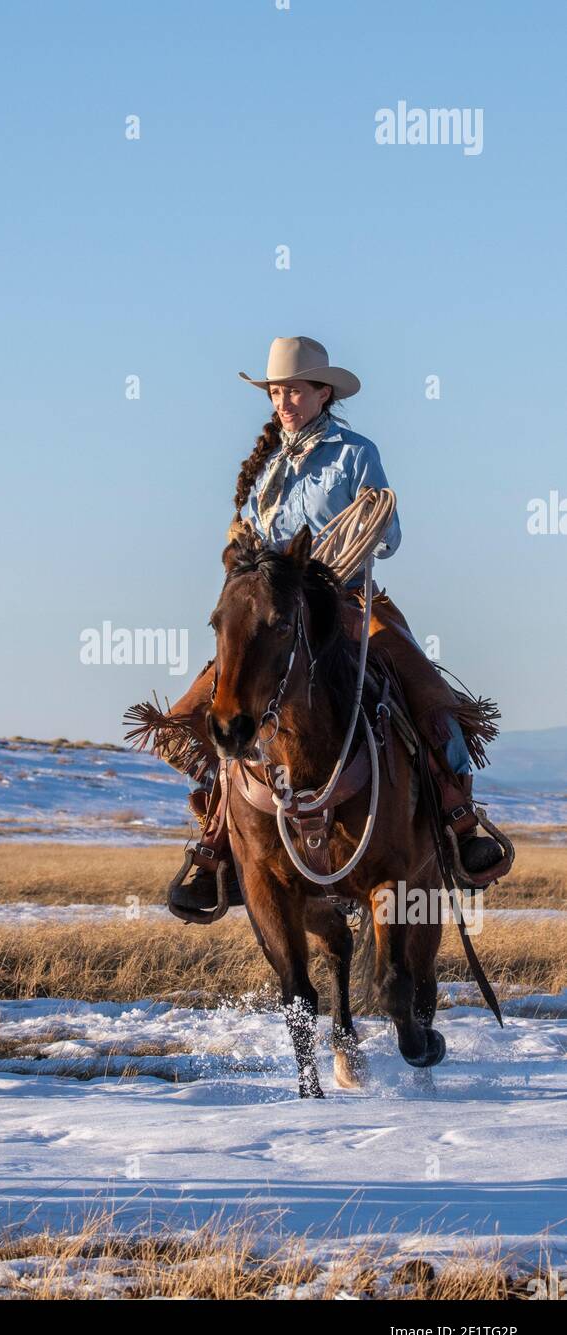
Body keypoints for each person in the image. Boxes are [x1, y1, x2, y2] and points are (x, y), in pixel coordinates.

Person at [162, 336, 507, 915]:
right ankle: (220, 835)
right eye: (276, 391)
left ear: (324, 392)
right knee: (194, 716)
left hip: (349, 604)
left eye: (294, 389)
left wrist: (350, 542)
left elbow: (388, 537)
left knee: (432, 696)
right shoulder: (267, 470)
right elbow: (246, 548)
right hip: (274, 612)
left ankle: (458, 816)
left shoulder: (355, 453)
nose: (284, 400)